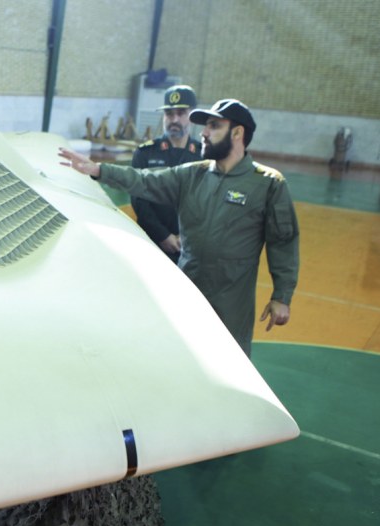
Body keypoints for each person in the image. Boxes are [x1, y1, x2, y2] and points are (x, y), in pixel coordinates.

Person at [58, 99, 299, 356]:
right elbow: (145, 180)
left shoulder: (267, 184)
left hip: (232, 299)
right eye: (205, 126)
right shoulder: (192, 174)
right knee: (180, 355)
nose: (204, 133)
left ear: (237, 132)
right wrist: (99, 170)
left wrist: (281, 296)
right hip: (188, 289)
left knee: (228, 359)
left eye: (214, 126)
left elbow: (283, 241)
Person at [131, 85, 202, 262]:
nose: (174, 119)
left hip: (192, 245)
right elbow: (139, 201)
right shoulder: (145, 153)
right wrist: (162, 235)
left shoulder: (204, 155)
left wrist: (187, 237)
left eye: (181, 113)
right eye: (169, 113)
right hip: (152, 242)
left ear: (192, 116)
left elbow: (208, 203)